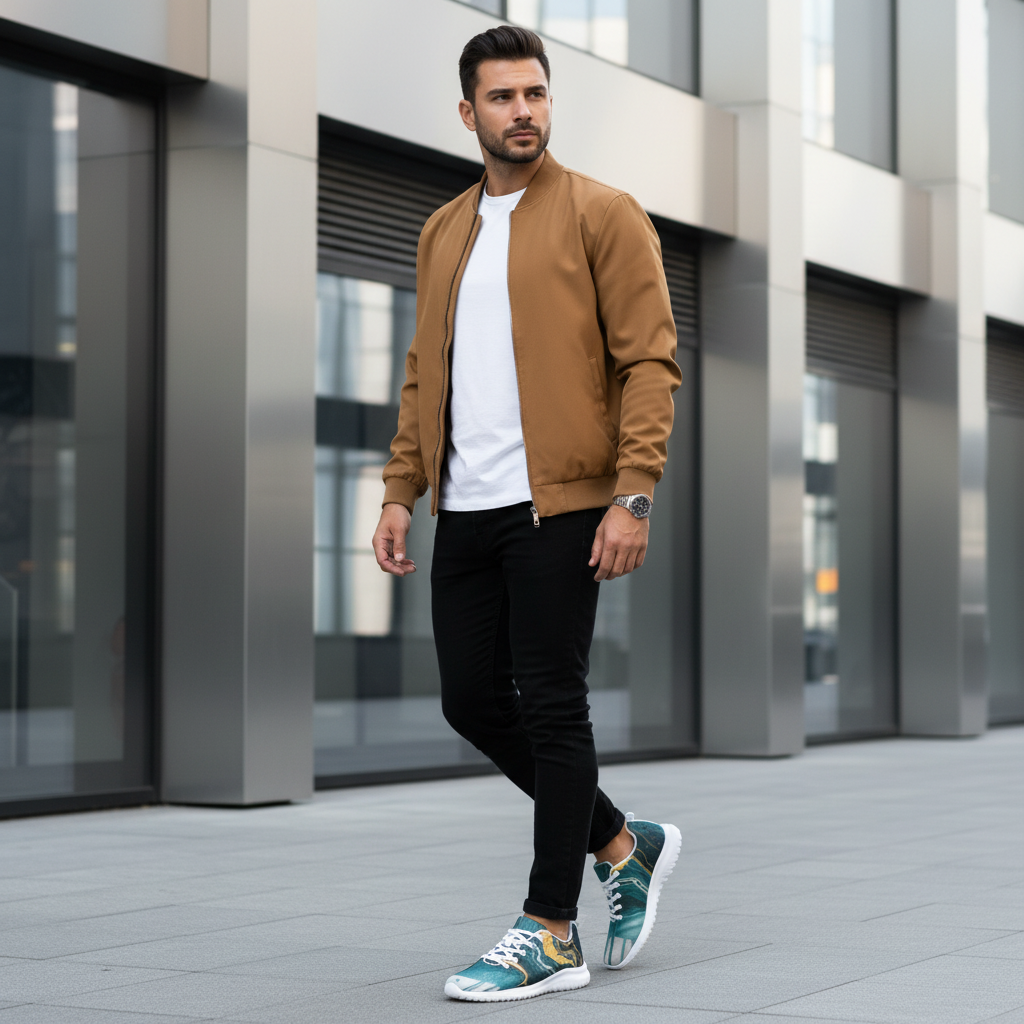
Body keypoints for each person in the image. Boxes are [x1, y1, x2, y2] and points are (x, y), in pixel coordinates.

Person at [371, 24, 682, 1003]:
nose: (523, 112)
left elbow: (649, 362)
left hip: (566, 504)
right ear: (469, 112)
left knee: (552, 700)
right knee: (471, 700)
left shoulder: (603, 213)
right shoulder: (443, 230)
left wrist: (632, 492)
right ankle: (625, 843)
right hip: (465, 507)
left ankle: (549, 927)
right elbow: (425, 371)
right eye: (502, 98)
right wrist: (399, 488)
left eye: (535, 94)